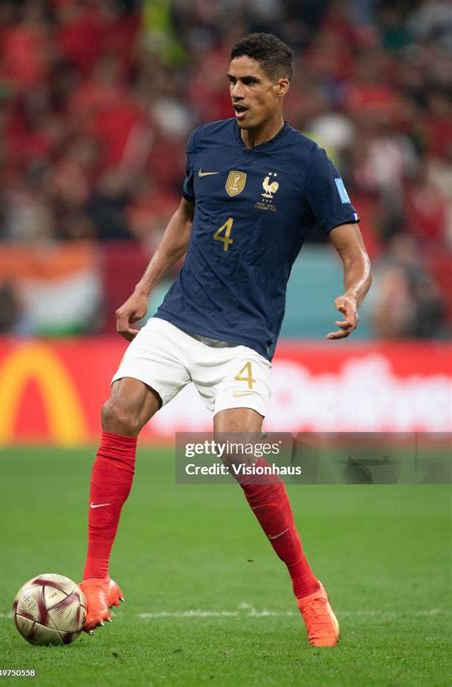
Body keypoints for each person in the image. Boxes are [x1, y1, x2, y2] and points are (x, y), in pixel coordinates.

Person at [79, 33, 372, 648]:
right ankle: (95, 582)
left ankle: (307, 589)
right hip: (179, 316)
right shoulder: (205, 143)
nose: (235, 93)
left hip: (243, 337)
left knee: (238, 449)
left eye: (249, 83)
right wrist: (143, 289)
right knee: (117, 412)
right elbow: (187, 218)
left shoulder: (310, 163)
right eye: (231, 81)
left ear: (281, 87)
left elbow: (355, 253)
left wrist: (354, 294)